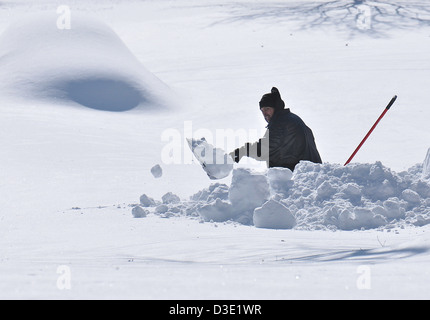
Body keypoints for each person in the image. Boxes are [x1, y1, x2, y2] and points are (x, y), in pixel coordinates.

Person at [230, 87, 322, 171]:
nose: (265, 113)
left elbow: (265, 149)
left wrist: (242, 151)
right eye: (262, 110)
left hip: (298, 176)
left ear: (276, 107)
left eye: (267, 109)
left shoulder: (282, 123)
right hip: (309, 174)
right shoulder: (292, 119)